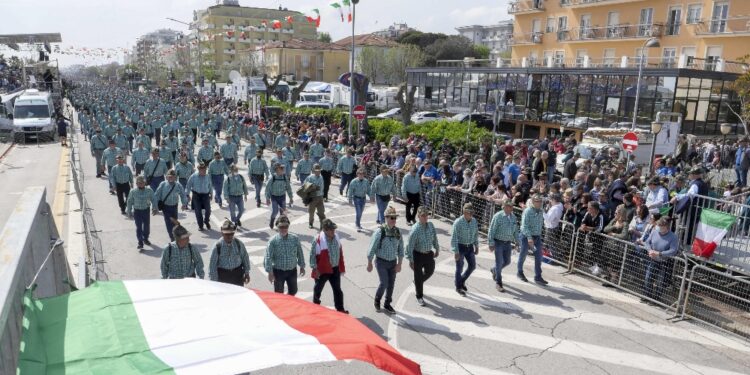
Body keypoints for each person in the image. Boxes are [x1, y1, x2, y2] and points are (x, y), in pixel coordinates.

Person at [367, 206, 404, 314]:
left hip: (393, 262)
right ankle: (377, 299)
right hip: (381, 262)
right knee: (384, 282)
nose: (393, 220)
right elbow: (372, 247)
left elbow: (401, 249)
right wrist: (369, 262)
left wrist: (399, 264)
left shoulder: (398, 232)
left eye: (395, 218)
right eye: (391, 218)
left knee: (391, 284)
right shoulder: (380, 232)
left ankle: (387, 304)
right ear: (386, 218)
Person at [310, 218, 348, 313]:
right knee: (318, 289)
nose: (333, 231)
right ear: (325, 230)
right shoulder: (318, 240)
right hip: (322, 270)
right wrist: (315, 269)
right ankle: (315, 305)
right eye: (331, 229)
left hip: (335, 268)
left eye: (334, 229)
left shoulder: (336, 237)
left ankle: (340, 309)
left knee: (337, 290)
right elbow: (312, 256)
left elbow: (340, 252)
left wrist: (341, 266)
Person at [405, 206, 439, 306]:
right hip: (418, 255)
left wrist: (436, 248)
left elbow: (434, 238)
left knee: (430, 271)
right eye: (423, 216)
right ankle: (419, 296)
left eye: (427, 215)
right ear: (418, 216)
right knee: (418, 275)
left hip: (428, 254)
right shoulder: (415, 230)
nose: (425, 217)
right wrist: (411, 260)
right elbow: (409, 246)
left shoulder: (431, 225)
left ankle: (417, 282)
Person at [264, 215, 306, 295]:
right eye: (281, 227)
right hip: (278, 272)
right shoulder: (273, 241)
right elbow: (268, 257)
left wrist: (302, 266)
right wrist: (270, 272)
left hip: (292, 271)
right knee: (279, 293)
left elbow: (300, 253)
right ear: (277, 227)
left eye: (286, 227)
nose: (283, 229)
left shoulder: (295, 238)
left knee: (294, 291)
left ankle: (288, 302)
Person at [642, 217, 679, 302]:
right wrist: (650, 250)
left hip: (664, 262)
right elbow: (647, 242)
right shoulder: (654, 232)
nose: (658, 227)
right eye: (658, 225)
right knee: (648, 278)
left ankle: (656, 299)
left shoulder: (673, 237)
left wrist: (660, 253)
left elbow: (673, 250)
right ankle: (647, 296)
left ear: (666, 227)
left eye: (660, 226)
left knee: (660, 281)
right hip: (653, 260)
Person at [208, 219, 251, 286]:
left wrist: (247, 273)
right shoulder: (217, 247)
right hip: (223, 277)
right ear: (222, 233)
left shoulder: (239, 244)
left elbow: (245, 258)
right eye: (227, 234)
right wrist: (214, 283)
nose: (230, 236)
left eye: (232, 233)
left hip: (237, 275)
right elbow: (212, 267)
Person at [487, 199, 517, 292]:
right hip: (498, 243)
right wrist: (491, 243)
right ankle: (498, 283)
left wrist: (517, 241)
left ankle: (494, 269)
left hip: (507, 243)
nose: (510, 208)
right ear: (503, 206)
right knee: (499, 262)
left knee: (507, 261)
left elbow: (516, 231)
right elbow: (491, 230)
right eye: (508, 206)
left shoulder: (513, 217)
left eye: (511, 206)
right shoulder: (498, 216)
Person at [518, 194, 548, 285]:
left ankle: (538, 277)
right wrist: (529, 238)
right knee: (523, 255)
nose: (539, 203)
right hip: (526, 237)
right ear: (533, 201)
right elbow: (524, 226)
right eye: (537, 201)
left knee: (539, 256)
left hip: (537, 237)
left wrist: (538, 236)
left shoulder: (541, 211)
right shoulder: (527, 211)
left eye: (540, 201)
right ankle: (520, 272)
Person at [451, 203, 479, 296]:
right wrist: (456, 251)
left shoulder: (474, 221)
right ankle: (458, 287)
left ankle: (461, 280)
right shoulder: (458, 222)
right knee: (459, 268)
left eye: (472, 212)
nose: (471, 214)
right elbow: (454, 237)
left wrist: (477, 246)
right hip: (460, 247)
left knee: (472, 266)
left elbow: (475, 234)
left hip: (470, 247)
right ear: (464, 212)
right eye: (469, 212)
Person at [152, 170, 188, 241]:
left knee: (175, 222)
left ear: (175, 177)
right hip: (166, 207)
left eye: (173, 176)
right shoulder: (163, 184)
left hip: (174, 206)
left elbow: (183, 195)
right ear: (167, 177)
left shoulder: (178, 185)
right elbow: (157, 195)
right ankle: (172, 237)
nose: (171, 178)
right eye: (169, 176)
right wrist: (154, 207)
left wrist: (184, 204)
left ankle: (175, 235)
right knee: (169, 222)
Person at [126, 175, 155, 250]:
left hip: (146, 210)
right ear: (136, 184)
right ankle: (140, 242)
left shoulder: (149, 190)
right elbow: (129, 201)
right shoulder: (133, 191)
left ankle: (145, 238)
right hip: (137, 211)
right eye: (139, 183)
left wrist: (155, 208)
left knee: (146, 226)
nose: (140, 184)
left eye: (142, 183)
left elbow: (153, 199)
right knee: (138, 227)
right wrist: (129, 211)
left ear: (145, 183)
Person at [266, 164, 294, 229]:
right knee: (275, 211)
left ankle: (280, 224)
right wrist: (267, 198)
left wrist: (291, 197)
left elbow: (288, 188)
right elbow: (268, 188)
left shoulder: (284, 177)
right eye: (281, 169)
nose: (282, 170)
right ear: (277, 170)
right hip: (274, 197)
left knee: (283, 213)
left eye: (282, 169)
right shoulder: (273, 178)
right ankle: (272, 221)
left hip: (282, 197)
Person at [186, 163, 213, 231]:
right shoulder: (193, 176)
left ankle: (206, 221)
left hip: (205, 195)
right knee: (198, 211)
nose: (204, 171)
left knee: (208, 210)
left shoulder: (207, 176)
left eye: (205, 170)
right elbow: (188, 185)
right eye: (203, 170)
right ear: (199, 169)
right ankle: (200, 225)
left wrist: (211, 194)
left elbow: (210, 186)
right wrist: (187, 195)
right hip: (196, 196)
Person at [304, 164, 326, 229]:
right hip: (312, 197)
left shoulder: (321, 177)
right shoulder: (310, 177)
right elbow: (305, 185)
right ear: (313, 171)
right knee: (311, 212)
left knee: (321, 212)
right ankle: (311, 223)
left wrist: (312, 187)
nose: (318, 172)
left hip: (319, 197)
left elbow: (319, 188)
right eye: (316, 171)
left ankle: (322, 225)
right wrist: (310, 187)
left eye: (319, 171)